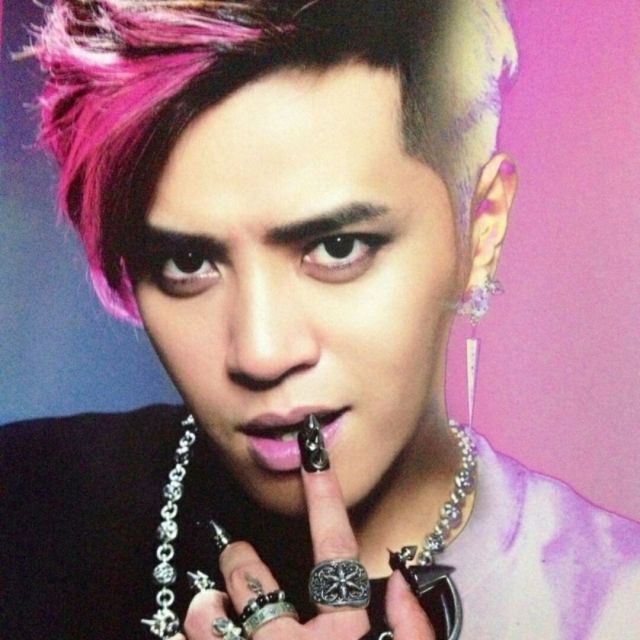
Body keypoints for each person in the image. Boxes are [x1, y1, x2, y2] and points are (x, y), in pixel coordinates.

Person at [1, 1, 639, 639]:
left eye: (337, 248)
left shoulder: (611, 606)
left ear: (483, 230)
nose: (261, 353)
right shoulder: (23, 513)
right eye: (188, 261)